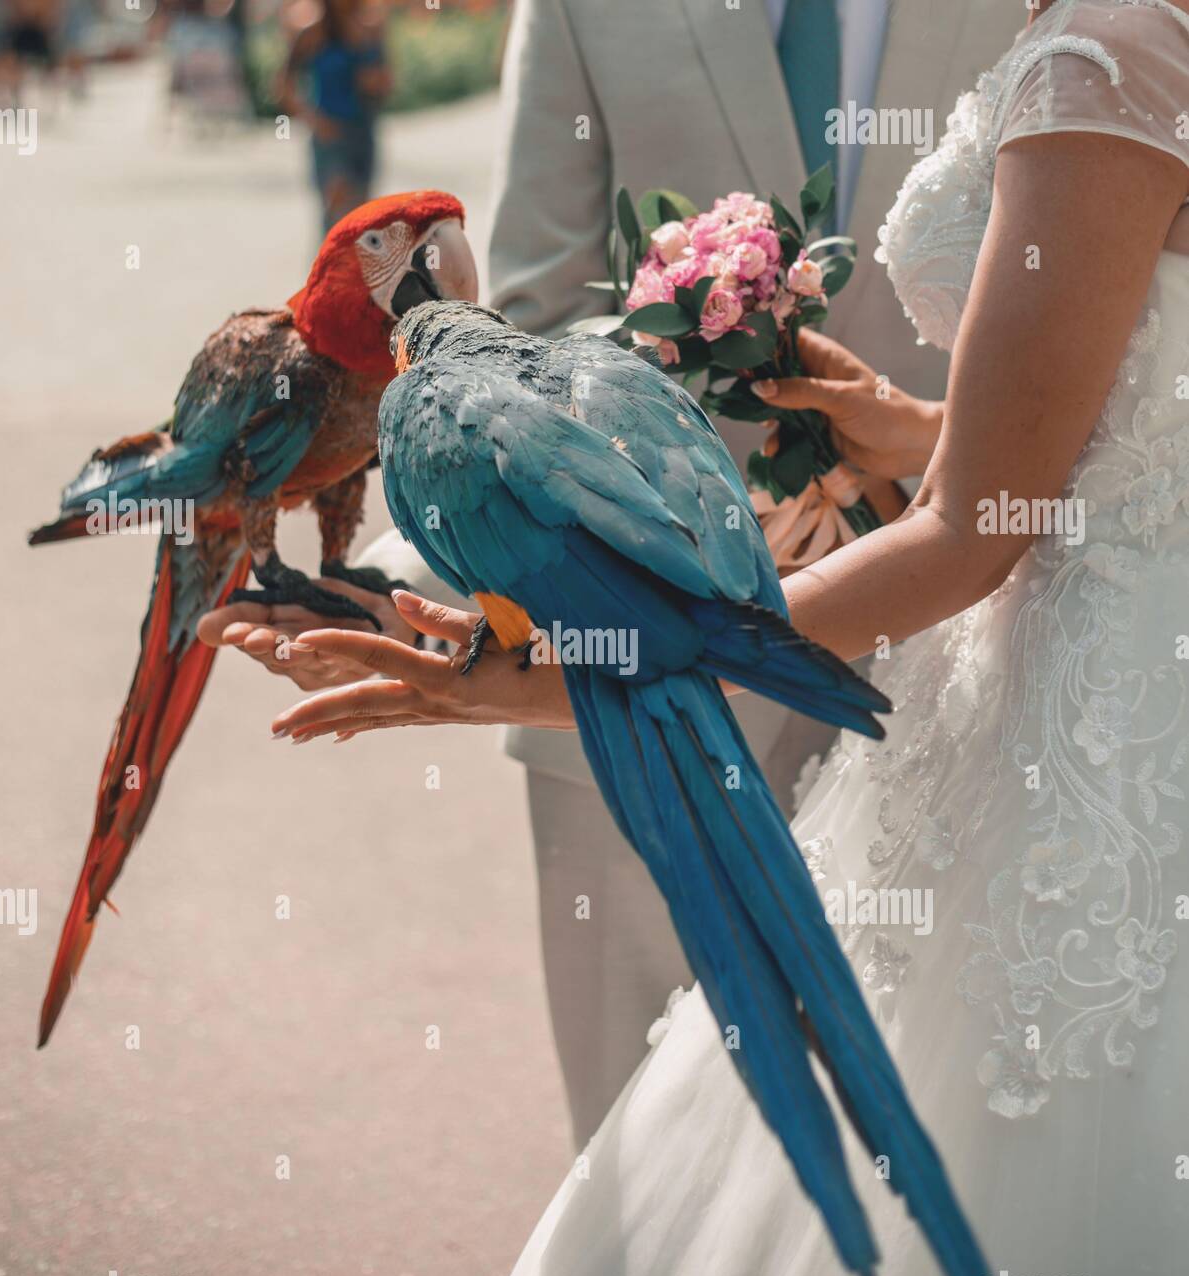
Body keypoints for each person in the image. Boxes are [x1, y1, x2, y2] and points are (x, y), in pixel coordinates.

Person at [265, 0, 1189, 1276]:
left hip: (1051, 736)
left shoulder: (1108, 41)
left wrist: (544, 670)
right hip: (942, 676)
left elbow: (975, 532)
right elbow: (1129, 415)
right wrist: (927, 430)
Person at [200, 0, 1020, 1153]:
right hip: (596, 660)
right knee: (644, 1153)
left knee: (945, 1118)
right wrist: (396, 570)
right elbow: (517, 312)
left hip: (960, 664)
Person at [278, 0, 389, 234]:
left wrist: (370, 72)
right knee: (335, 216)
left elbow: (386, 83)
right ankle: (328, 268)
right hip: (330, 137)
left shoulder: (370, 28)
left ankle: (355, 271)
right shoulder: (312, 30)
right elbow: (284, 85)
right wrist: (313, 120)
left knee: (363, 220)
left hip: (362, 131)